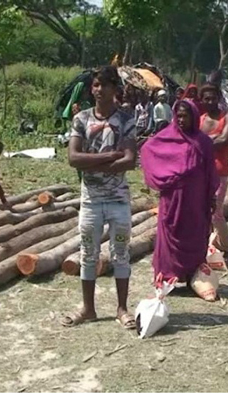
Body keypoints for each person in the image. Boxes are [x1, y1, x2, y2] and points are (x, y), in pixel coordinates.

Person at [64, 66, 137, 329]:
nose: (98, 90)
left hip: (118, 200)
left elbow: (130, 160)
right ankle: (88, 308)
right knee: (88, 253)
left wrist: (90, 163)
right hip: (91, 200)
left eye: (104, 85)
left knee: (120, 253)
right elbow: (73, 158)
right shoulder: (81, 119)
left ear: (114, 89)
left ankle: (122, 308)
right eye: (95, 85)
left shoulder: (126, 120)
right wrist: (109, 157)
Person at [141, 100, 218, 284]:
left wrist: (211, 197)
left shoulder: (203, 142)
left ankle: (192, 276)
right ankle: (168, 274)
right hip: (173, 199)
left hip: (196, 199)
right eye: (179, 116)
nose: (182, 120)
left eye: (186, 116)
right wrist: (165, 176)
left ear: (194, 117)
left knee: (195, 235)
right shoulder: (166, 137)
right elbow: (147, 150)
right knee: (171, 233)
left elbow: (209, 171)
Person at [199, 84, 228, 265]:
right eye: (206, 98)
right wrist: (211, 141)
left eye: (213, 98)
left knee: (217, 213)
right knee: (202, 212)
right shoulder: (200, 119)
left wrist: (202, 143)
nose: (210, 101)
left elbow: (225, 140)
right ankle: (206, 249)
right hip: (200, 171)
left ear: (219, 98)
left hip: (220, 171)